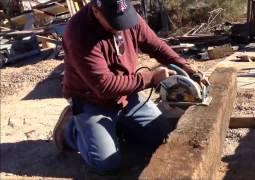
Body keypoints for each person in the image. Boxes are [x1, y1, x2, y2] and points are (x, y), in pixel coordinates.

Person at [53, 0, 206, 173]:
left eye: (124, 18)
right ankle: (70, 129)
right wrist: (152, 78)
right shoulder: (79, 32)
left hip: (127, 96)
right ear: (96, 11)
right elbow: (105, 87)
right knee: (105, 164)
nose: (122, 26)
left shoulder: (125, 15)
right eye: (114, 22)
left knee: (162, 136)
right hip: (92, 101)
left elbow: (156, 46)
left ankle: (115, 127)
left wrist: (185, 66)